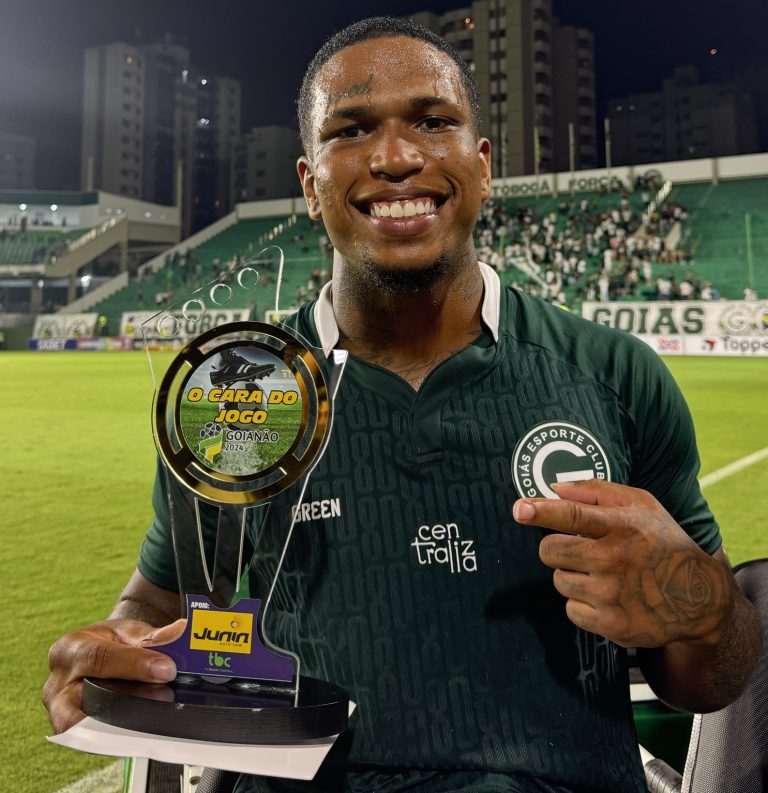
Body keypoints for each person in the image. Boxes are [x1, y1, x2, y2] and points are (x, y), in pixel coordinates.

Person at [44, 17, 761, 793]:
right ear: (310, 184)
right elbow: (156, 605)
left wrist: (701, 604)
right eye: (351, 130)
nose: (395, 157)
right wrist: (113, 650)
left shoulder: (614, 373)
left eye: (432, 121)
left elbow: (710, 679)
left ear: (482, 167)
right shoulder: (235, 391)